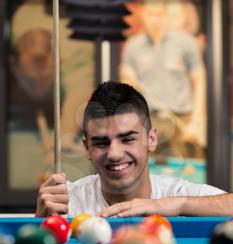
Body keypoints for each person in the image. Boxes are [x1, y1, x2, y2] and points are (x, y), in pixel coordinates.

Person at [35, 81, 233, 218]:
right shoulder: (66, 201)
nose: (114, 154)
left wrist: (177, 205)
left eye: (127, 139)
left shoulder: (175, 194)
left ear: (151, 139)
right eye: (101, 143)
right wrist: (40, 222)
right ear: (87, 148)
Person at [120, 1, 206, 159]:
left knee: (188, 177)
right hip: (149, 121)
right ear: (142, 15)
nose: (154, 19)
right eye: (150, 14)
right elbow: (126, 84)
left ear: (165, 15)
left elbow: (200, 82)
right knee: (150, 178)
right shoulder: (133, 46)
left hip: (182, 120)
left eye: (158, 14)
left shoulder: (186, 43)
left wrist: (197, 121)